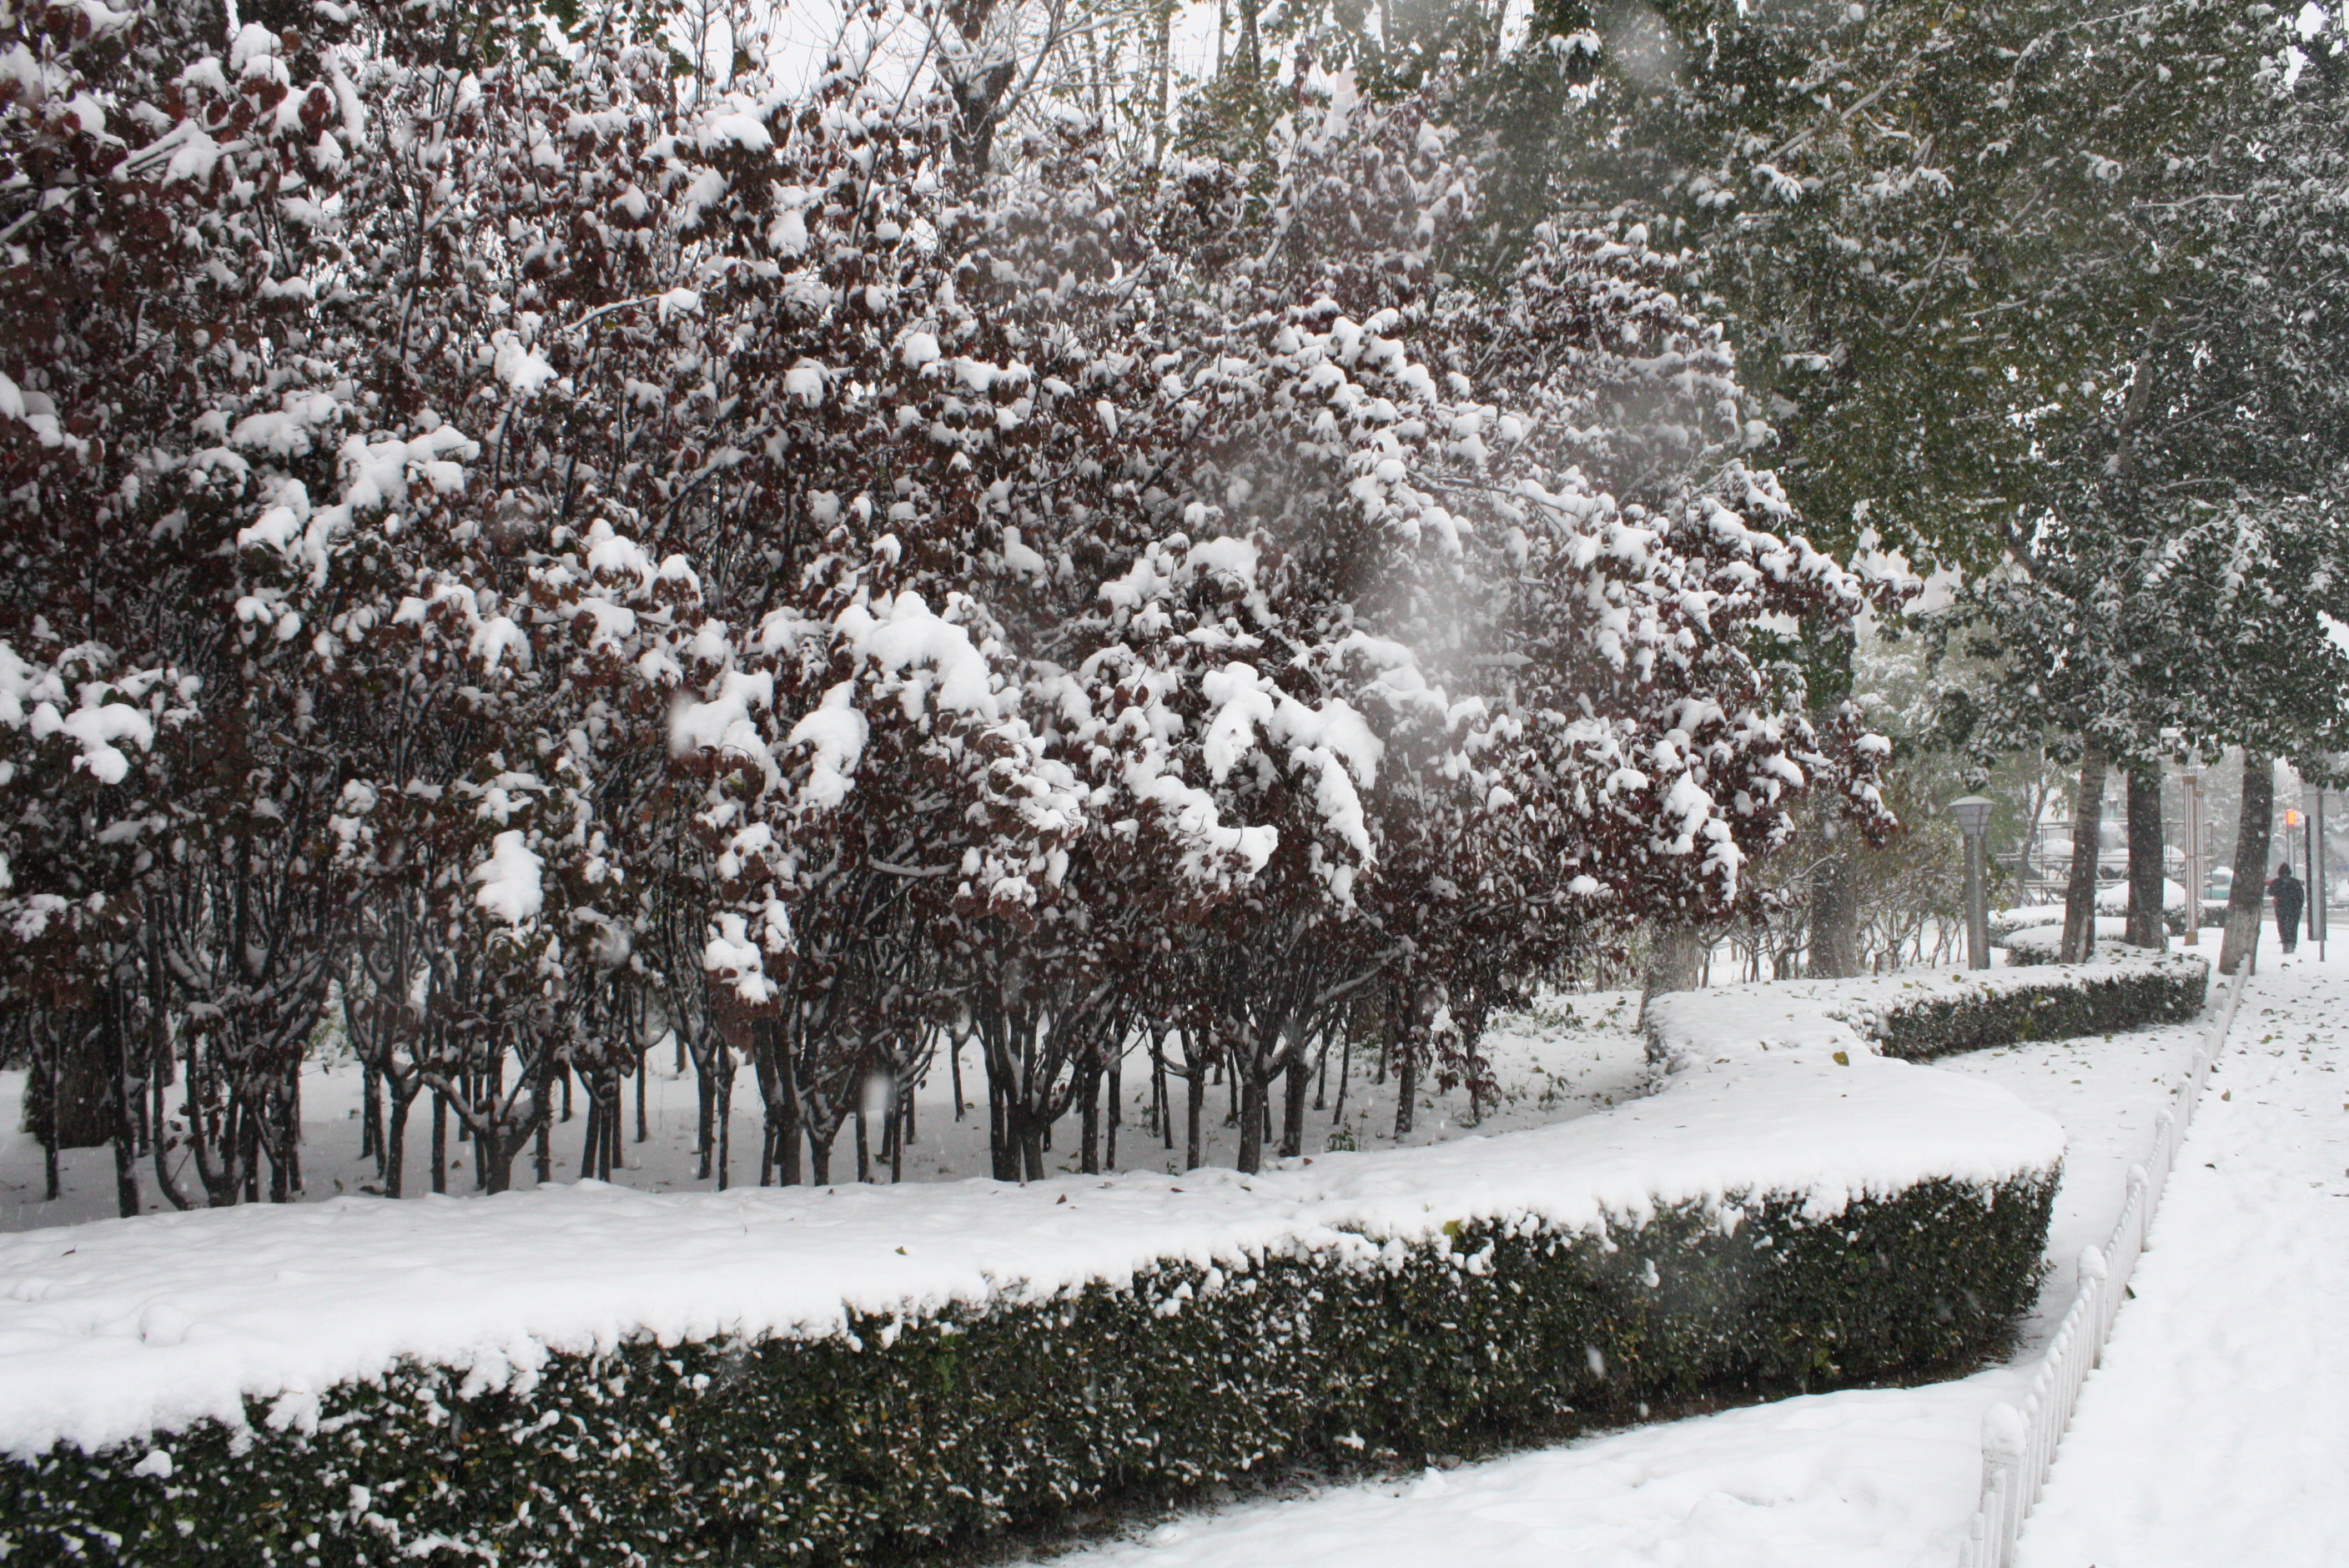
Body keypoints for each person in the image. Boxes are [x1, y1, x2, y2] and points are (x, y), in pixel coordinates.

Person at [2269, 862, 2306, 954]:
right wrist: (2299, 906)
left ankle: (2285, 943)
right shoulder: (2296, 882)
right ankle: (2292, 942)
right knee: (2293, 926)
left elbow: (2270, 892)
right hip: (2294, 908)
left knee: (2282, 925)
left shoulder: (2277, 881)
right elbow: (2301, 895)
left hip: (2281, 907)